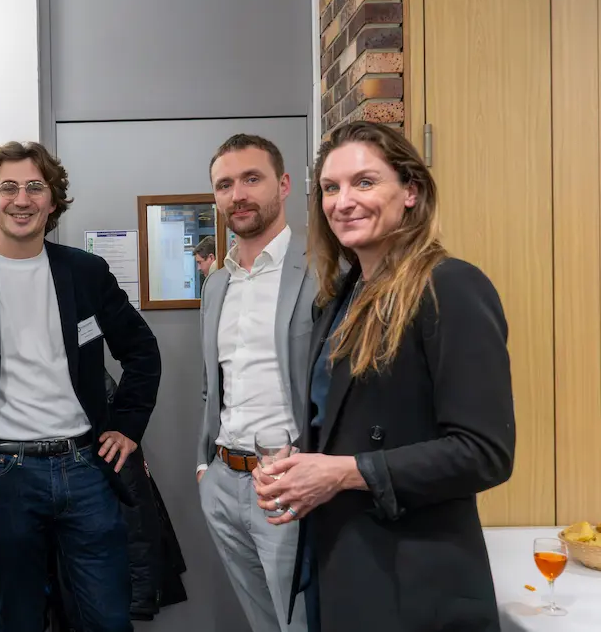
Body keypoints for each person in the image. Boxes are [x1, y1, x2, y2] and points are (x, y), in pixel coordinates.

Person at [254, 121, 515, 632]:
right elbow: (344, 419)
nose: (343, 202)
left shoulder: (450, 287)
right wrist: (298, 465)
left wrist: (341, 472)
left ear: (411, 191)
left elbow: (484, 453)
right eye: (331, 188)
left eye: (365, 182)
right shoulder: (339, 298)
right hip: (341, 562)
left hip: (413, 579)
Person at [0, 141, 161, 632]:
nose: (21, 199)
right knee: (19, 618)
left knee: (108, 619)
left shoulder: (85, 273)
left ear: (52, 199)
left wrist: (128, 426)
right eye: (9, 187)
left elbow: (142, 351)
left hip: (86, 470)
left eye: (35, 187)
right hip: (3, 475)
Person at [196, 134, 316, 632]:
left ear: (283, 185)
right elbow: (212, 384)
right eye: (225, 185)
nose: (238, 195)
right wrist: (204, 466)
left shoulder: (324, 270)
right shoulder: (217, 283)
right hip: (224, 481)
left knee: (302, 623)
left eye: (251, 179)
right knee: (263, 624)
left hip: (289, 483)